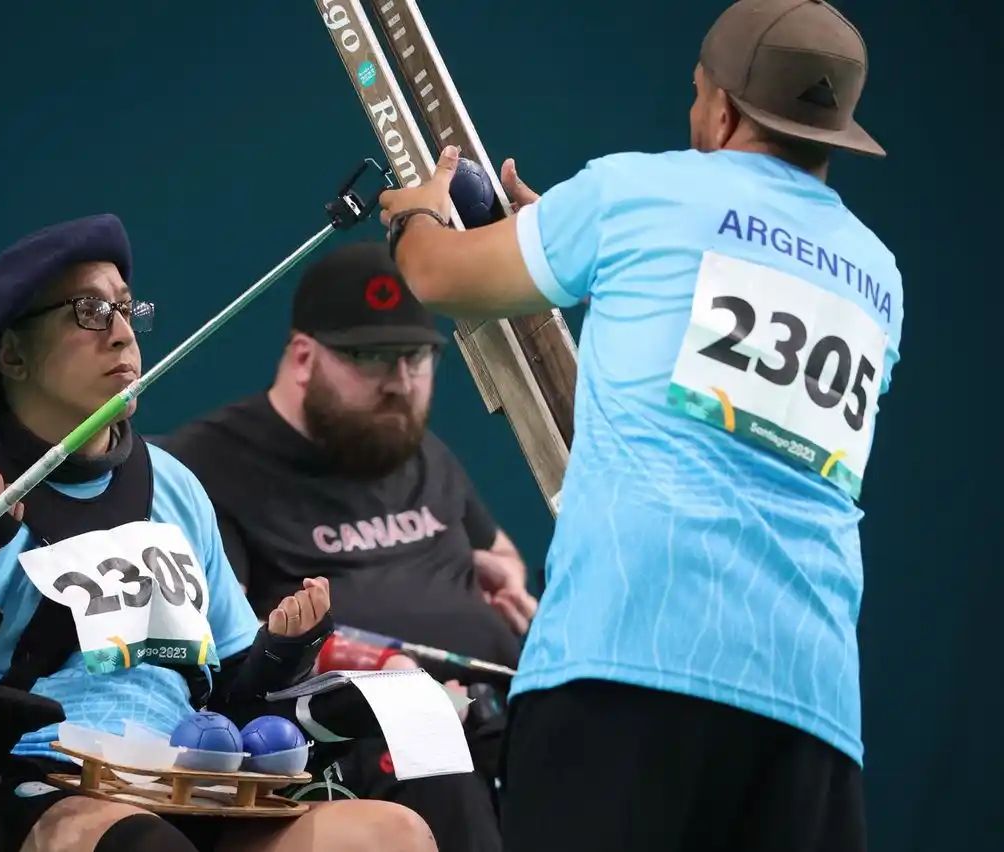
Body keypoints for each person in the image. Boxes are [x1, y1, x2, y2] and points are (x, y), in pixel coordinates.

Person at [374, 1, 903, 850]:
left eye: (699, 95)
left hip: (627, 671)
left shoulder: (635, 194)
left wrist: (419, 211)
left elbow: (438, 274)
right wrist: (576, 243)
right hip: (811, 705)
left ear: (724, 109)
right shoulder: (879, 277)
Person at [0, 215, 438, 852]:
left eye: (124, 306)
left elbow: (234, 692)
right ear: (13, 357)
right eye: (88, 312)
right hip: (26, 797)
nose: (121, 332)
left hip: (193, 789)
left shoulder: (174, 486)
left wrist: (285, 650)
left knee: (393, 834)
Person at [158, 241, 535, 852]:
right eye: (370, 358)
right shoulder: (208, 469)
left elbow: (504, 558)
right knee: (429, 745)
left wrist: (505, 582)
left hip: (502, 720)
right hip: (358, 746)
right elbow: (229, 661)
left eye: (416, 357)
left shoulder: (415, 449)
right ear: (304, 358)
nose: (401, 383)